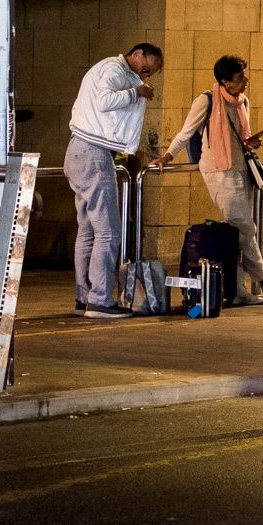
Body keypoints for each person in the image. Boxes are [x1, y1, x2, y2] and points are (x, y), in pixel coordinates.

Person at [155, 54, 263, 306]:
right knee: (245, 227)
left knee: (237, 232)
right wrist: (167, 156)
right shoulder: (206, 101)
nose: (245, 81)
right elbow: (186, 131)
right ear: (225, 82)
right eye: (240, 77)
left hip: (242, 169)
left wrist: (252, 142)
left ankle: (237, 290)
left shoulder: (242, 101)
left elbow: (243, 135)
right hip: (219, 170)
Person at [65, 41, 161, 318]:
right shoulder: (114, 69)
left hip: (79, 151)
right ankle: (100, 300)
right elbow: (105, 101)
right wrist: (137, 92)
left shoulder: (111, 69)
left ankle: (84, 297)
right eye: (146, 67)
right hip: (93, 154)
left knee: (88, 230)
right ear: (137, 54)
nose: (146, 75)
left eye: (149, 74)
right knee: (108, 231)